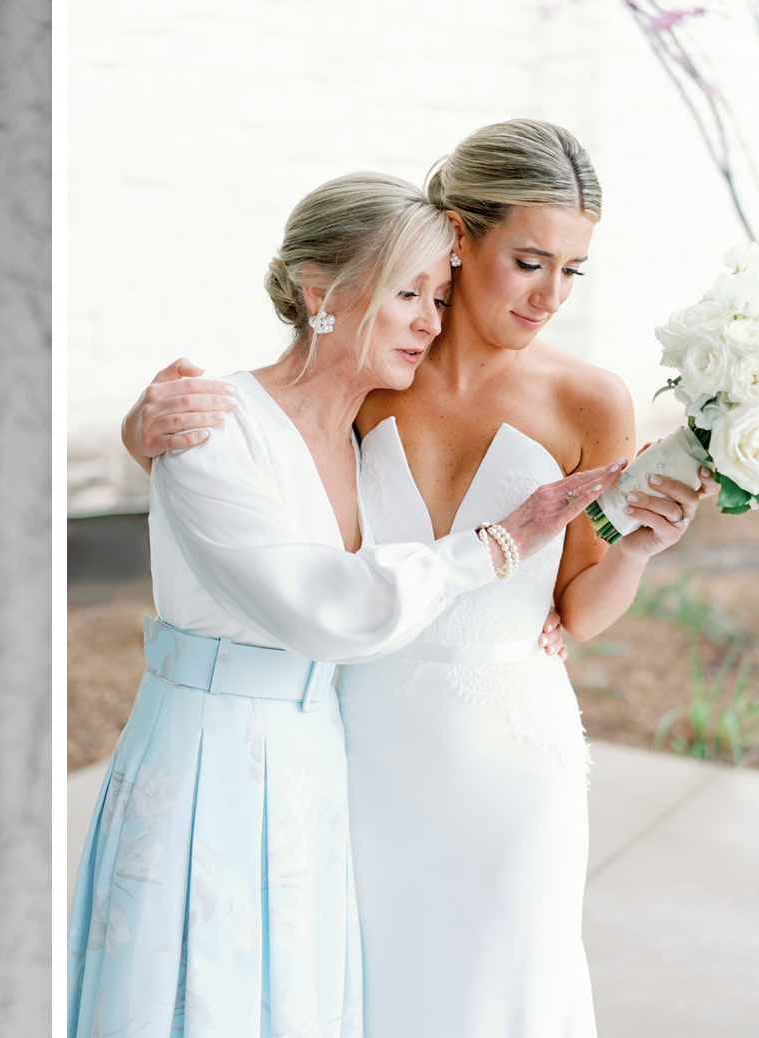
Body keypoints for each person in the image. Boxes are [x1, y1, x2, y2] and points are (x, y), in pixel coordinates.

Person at [120, 121, 716, 1036]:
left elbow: (581, 613)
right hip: (361, 737)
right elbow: (267, 460)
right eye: (528, 261)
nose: (551, 295)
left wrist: (634, 548)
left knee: (505, 985)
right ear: (459, 234)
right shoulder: (372, 373)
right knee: (368, 988)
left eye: (573, 270)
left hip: (511, 752)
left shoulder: (589, 399)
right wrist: (145, 427)